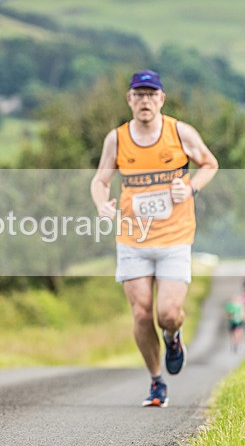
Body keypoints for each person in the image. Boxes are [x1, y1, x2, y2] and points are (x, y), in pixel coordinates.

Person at [90, 69, 218, 408]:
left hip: (175, 237)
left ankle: (174, 338)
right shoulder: (117, 139)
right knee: (142, 315)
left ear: (161, 99)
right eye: (139, 94)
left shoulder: (180, 132)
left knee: (168, 313)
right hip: (133, 239)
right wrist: (102, 204)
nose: (145, 100)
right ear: (129, 100)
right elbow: (101, 180)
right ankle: (156, 381)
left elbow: (209, 164)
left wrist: (189, 187)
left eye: (151, 94)